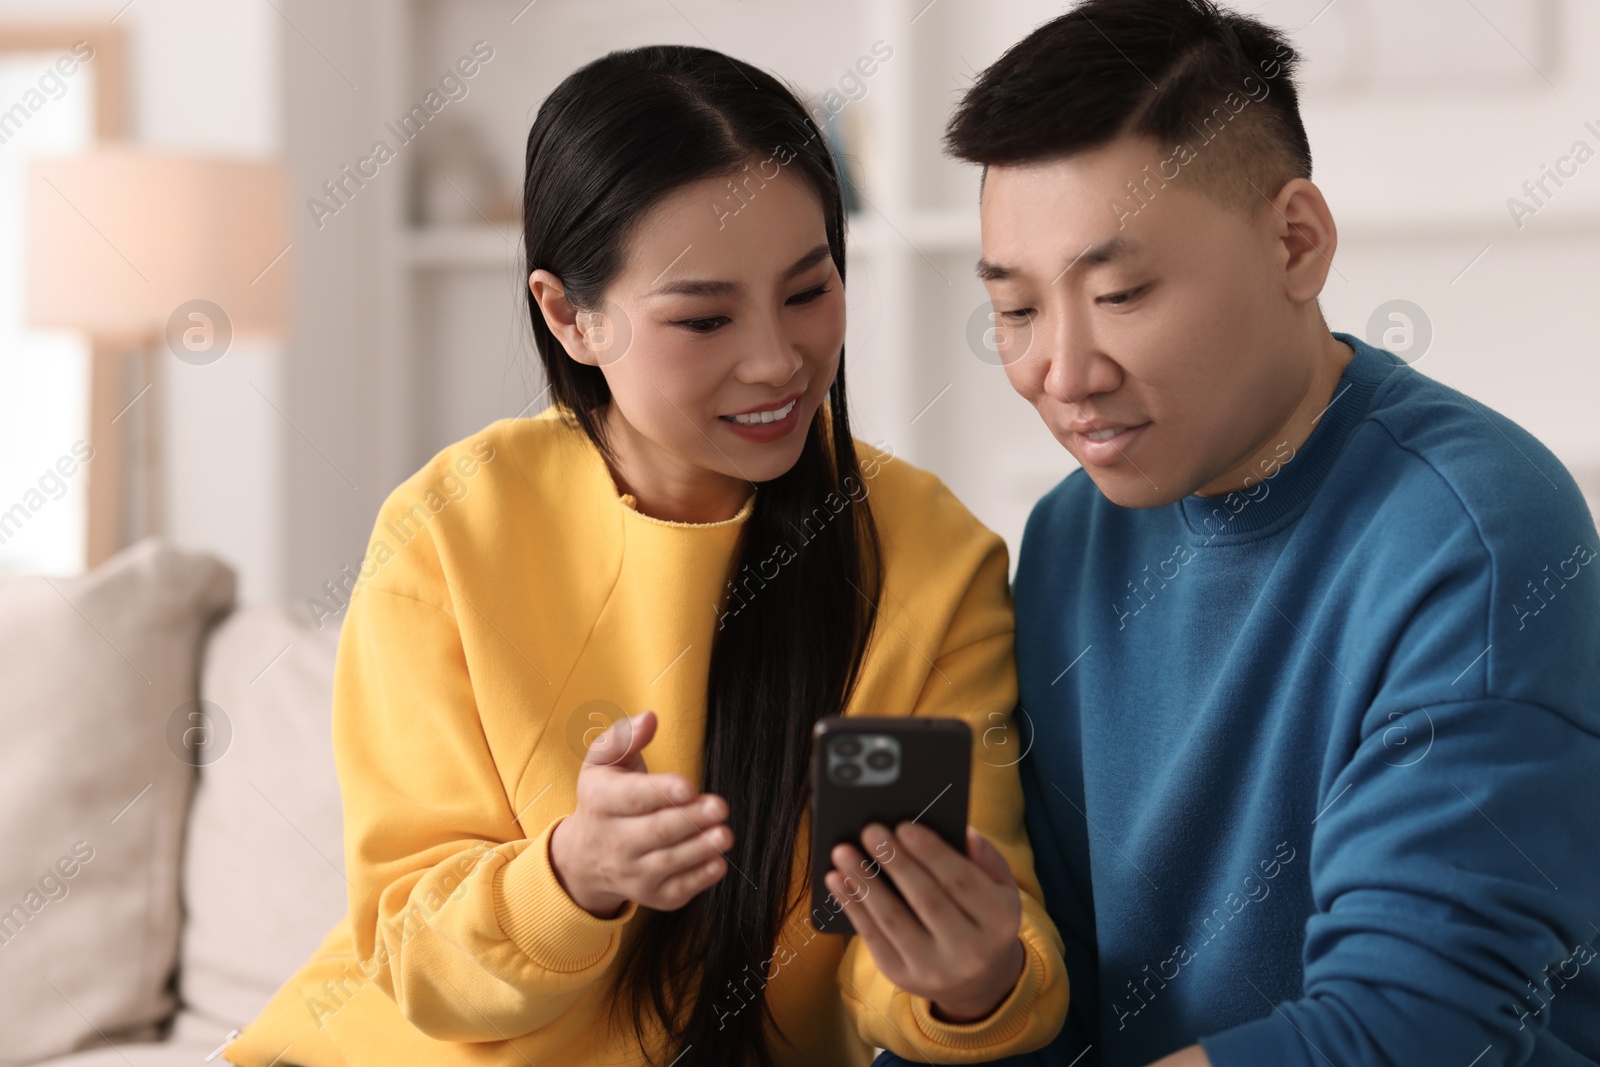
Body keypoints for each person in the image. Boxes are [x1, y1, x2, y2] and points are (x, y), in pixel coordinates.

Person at [222, 44, 1069, 1067]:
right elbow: (413, 954)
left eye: (808, 291)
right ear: (568, 314)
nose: (776, 359)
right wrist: (571, 873)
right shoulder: (449, 528)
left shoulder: (929, 551)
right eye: (704, 317)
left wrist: (975, 980)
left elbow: (938, 939)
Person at [877, 1, 1600, 1065]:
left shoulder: (1476, 535)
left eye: (1120, 292)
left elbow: (1412, 1029)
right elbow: (1060, 993)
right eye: (1017, 311)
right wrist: (976, 993)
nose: (1061, 375)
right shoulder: (1071, 533)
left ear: (1294, 242)